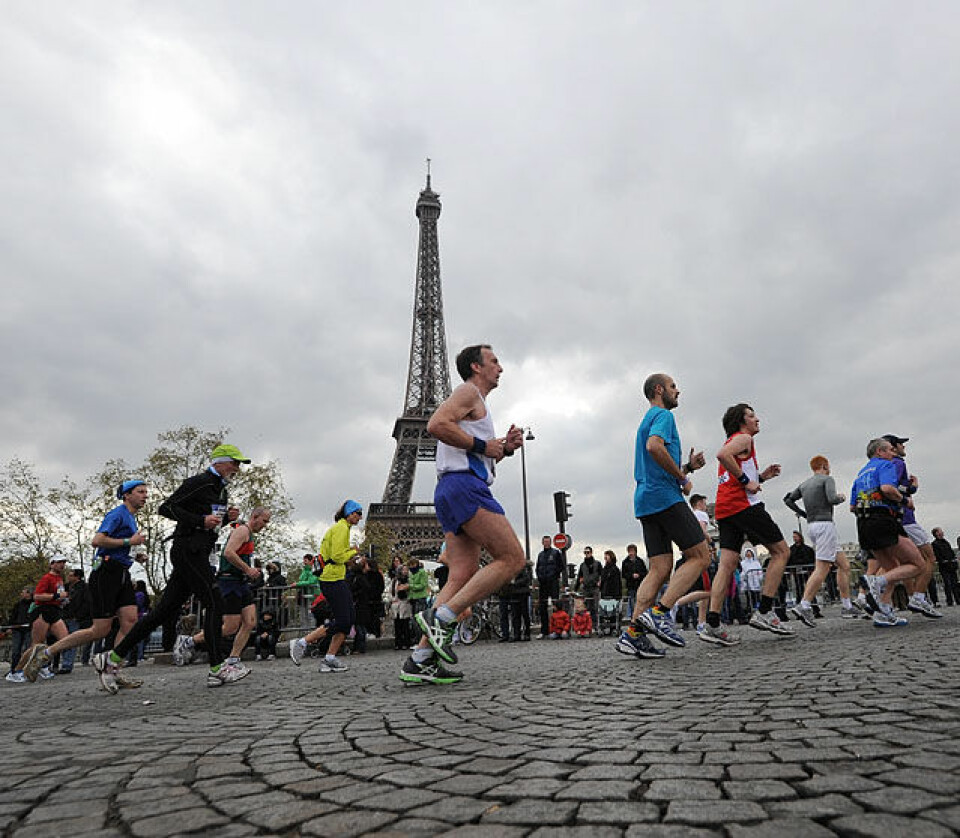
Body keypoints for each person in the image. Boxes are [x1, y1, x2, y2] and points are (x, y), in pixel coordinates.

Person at [401, 343, 526, 685]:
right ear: (476, 366)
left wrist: (504, 447)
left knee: (461, 574)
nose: (500, 366)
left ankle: (421, 658)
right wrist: (487, 446)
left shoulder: (477, 403)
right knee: (513, 558)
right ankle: (442, 617)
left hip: (452, 487)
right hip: (464, 488)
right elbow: (436, 424)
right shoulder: (468, 391)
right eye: (494, 360)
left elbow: (471, 451)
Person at [94, 445, 253, 691]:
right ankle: (217, 668)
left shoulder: (220, 489)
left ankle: (112, 658)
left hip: (199, 550)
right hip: (187, 550)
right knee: (215, 603)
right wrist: (200, 520)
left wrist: (225, 520)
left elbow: (209, 522)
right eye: (234, 463)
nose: (237, 468)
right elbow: (166, 508)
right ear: (220, 462)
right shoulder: (199, 481)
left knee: (163, 612)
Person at [617, 373, 714, 659]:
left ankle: (633, 635)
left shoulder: (645, 420)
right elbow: (654, 447)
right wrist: (682, 477)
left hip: (645, 499)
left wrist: (687, 466)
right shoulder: (663, 416)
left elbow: (653, 459)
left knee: (659, 569)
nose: (678, 391)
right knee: (700, 556)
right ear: (659, 390)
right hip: (665, 496)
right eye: (673, 387)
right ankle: (660, 613)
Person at [707, 403, 794, 642]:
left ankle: (712, 623)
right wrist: (747, 481)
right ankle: (764, 611)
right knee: (781, 552)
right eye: (752, 415)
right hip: (744, 506)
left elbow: (731, 467)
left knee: (726, 564)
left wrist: (761, 476)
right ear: (741, 421)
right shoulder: (744, 438)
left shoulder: (737, 441)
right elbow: (722, 456)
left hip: (726, 509)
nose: (758, 419)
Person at [173, 507, 270, 673]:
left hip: (240, 582)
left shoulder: (248, 533)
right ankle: (188, 641)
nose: (265, 525)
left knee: (250, 621)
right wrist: (248, 569)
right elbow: (228, 553)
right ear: (254, 517)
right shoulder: (242, 531)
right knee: (230, 627)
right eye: (264, 521)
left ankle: (233, 660)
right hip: (229, 581)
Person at [849, 438, 925, 626]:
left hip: (863, 523)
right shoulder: (886, 465)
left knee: (893, 568)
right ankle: (876, 582)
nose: (894, 453)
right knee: (918, 564)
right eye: (891, 450)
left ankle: (883, 611)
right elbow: (888, 489)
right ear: (880, 452)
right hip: (882, 518)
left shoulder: (860, 473)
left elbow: (852, 506)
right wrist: (904, 501)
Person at [782, 456, 859, 624]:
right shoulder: (827, 479)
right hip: (825, 525)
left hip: (812, 525)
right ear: (824, 465)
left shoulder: (804, 484)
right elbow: (832, 499)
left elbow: (788, 500)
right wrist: (841, 498)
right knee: (822, 568)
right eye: (828, 465)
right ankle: (804, 605)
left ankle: (846, 604)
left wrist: (804, 514)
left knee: (844, 565)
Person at [293, 500, 362, 673]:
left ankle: (329, 658)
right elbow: (338, 556)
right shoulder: (341, 528)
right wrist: (354, 551)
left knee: (348, 620)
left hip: (335, 577)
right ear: (349, 513)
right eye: (358, 513)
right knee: (344, 620)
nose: (360, 517)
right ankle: (302, 642)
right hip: (332, 579)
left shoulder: (342, 528)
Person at [883, 435, 942, 619]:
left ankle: (887, 599)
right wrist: (912, 489)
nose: (903, 446)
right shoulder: (897, 463)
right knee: (928, 558)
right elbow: (894, 487)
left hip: (892, 518)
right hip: (906, 519)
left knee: (898, 563)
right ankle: (918, 597)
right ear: (893, 447)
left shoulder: (882, 465)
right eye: (901, 444)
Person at [18, 556, 73, 682]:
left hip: (55, 610)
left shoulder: (59, 578)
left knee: (65, 640)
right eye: (59, 562)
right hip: (42, 611)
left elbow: (57, 596)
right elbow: (37, 596)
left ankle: (42, 664)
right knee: (37, 645)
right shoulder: (46, 578)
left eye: (63, 562)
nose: (62, 565)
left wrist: (63, 600)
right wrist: (57, 596)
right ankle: (17, 670)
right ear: (51, 564)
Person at [58, 568, 92, 673]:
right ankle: (64, 662)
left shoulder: (84, 588)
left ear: (77, 577)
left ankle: (67, 665)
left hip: (75, 618)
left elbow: (87, 603)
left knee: (72, 640)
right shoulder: (66, 587)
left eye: (71, 575)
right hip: (64, 616)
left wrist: (79, 615)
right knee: (63, 640)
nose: (69, 576)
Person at [535, 536, 564, 638]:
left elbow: (561, 566)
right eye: (545, 541)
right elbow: (537, 568)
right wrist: (539, 577)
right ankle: (544, 630)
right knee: (543, 606)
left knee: (556, 605)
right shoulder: (540, 555)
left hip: (553, 582)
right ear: (542, 543)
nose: (546, 543)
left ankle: (556, 629)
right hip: (543, 583)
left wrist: (554, 575)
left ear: (550, 542)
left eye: (548, 541)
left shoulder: (556, 553)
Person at [4, 587, 34, 683]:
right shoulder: (18, 605)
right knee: (16, 651)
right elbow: (13, 617)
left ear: (29, 594)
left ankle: (25, 670)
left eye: (23, 592)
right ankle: (14, 670)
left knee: (27, 650)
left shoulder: (34, 604)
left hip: (29, 630)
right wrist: (10, 627)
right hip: (17, 630)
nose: (21, 594)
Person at [931, 528, 959, 607]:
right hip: (944, 567)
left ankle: (957, 599)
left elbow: (951, 552)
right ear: (936, 533)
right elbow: (937, 555)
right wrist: (943, 560)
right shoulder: (935, 544)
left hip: (952, 566)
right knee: (947, 584)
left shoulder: (946, 542)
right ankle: (949, 601)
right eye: (940, 531)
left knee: (955, 584)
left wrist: (953, 559)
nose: (942, 532)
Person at [574, 547, 601, 628]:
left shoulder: (597, 563)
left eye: (588, 552)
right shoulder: (582, 565)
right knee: (586, 608)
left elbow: (602, 574)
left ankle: (595, 625)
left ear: (591, 553)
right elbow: (579, 577)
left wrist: (600, 583)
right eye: (585, 552)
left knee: (595, 608)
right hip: (586, 588)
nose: (587, 554)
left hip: (595, 588)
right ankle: (587, 626)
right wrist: (575, 589)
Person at [389, 559, 412, 649]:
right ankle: (398, 643)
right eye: (403, 570)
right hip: (396, 604)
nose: (405, 571)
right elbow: (390, 591)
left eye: (406, 570)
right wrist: (393, 599)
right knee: (397, 625)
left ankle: (406, 642)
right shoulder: (394, 581)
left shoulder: (410, 580)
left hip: (405, 603)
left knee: (405, 624)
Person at [620, 544, 647, 622]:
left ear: (635, 552)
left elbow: (644, 572)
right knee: (632, 602)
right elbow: (624, 574)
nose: (631, 553)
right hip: (631, 586)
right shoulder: (625, 562)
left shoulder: (640, 561)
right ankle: (633, 617)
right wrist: (631, 576)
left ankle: (640, 617)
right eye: (629, 551)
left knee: (640, 602)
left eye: (632, 551)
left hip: (640, 585)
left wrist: (639, 575)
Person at [406, 558, 430, 643]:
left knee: (420, 620)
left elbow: (422, 585)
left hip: (420, 598)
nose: (411, 567)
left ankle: (421, 640)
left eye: (412, 565)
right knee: (415, 621)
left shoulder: (422, 572)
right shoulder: (411, 573)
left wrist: (410, 586)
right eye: (410, 565)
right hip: (413, 599)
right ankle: (417, 639)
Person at [296, 554, 321, 628]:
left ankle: (313, 631)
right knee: (304, 615)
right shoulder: (305, 570)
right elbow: (302, 579)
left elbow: (311, 582)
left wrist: (298, 584)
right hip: (305, 596)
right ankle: (305, 633)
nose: (304, 562)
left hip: (313, 596)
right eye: (304, 560)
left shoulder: (315, 570)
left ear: (311, 561)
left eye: (306, 560)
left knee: (312, 615)